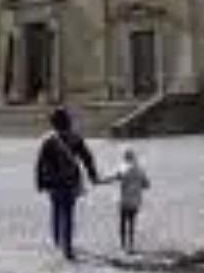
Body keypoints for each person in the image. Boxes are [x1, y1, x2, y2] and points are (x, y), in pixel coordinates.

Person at [35, 107, 99, 260]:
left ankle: (58, 240)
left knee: (56, 210)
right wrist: (92, 175)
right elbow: (87, 157)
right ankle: (67, 247)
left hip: (53, 183)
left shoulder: (48, 141)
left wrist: (40, 182)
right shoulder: (75, 138)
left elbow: (40, 164)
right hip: (70, 181)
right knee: (68, 214)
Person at [104, 148, 150, 253]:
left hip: (124, 200)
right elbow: (147, 185)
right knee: (132, 223)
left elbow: (113, 178)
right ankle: (131, 245)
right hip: (135, 201)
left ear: (125, 158)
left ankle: (123, 245)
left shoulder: (123, 168)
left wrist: (99, 181)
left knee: (123, 222)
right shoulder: (140, 170)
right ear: (134, 158)